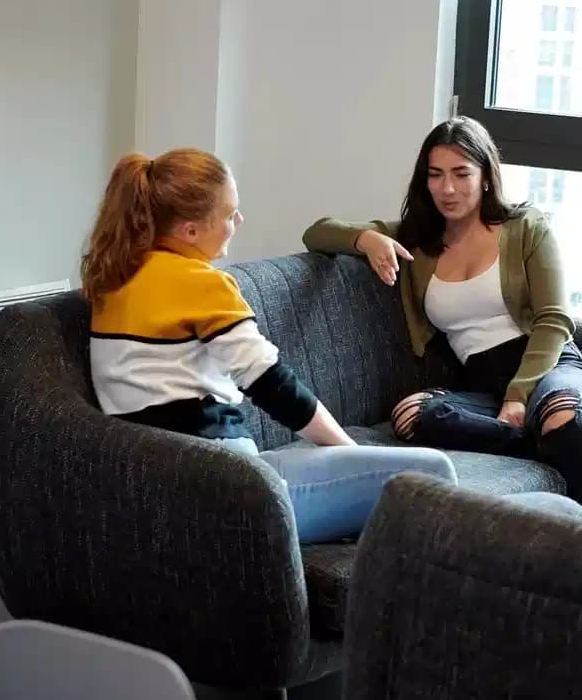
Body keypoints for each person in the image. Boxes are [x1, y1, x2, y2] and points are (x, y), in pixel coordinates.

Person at [81, 148, 458, 544]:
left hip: (184, 484)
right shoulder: (200, 284)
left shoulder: (114, 280)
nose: (238, 221)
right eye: (229, 215)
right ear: (190, 231)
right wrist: (350, 451)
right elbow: (273, 386)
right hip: (232, 493)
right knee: (432, 474)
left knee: (348, 473)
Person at [303, 117, 582, 525]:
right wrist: (367, 238)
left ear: (485, 177)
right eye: (436, 175)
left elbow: (554, 320)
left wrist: (519, 396)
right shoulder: (417, 240)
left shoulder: (525, 228)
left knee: (561, 415)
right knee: (413, 416)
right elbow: (317, 233)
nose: (448, 188)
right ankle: (577, 441)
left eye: (462, 174)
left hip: (549, 365)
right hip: (483, 384)